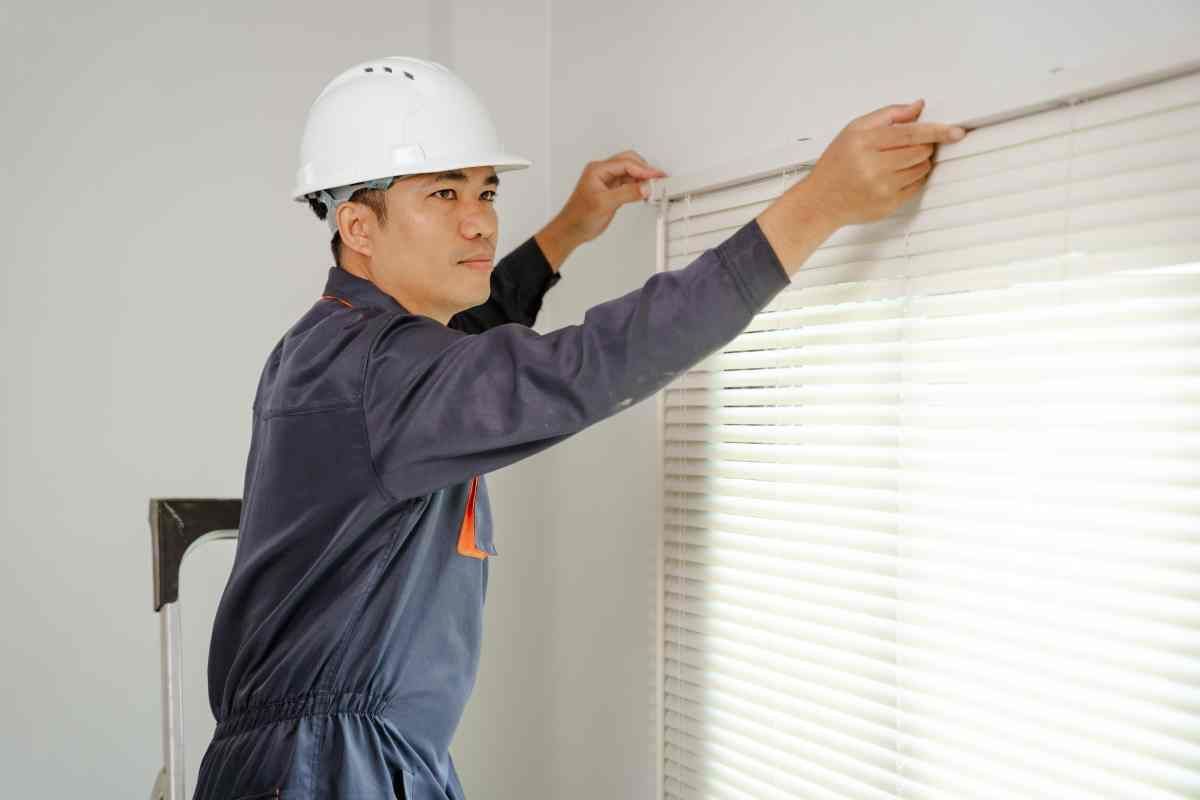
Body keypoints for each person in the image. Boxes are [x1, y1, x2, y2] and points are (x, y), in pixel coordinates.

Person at [192, 55, 967, 800]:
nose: (479, 224)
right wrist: (816, 204)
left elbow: (469, 346)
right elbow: (581, 368)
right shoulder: (381, 373)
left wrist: (568, 229)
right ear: (359, 226)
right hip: (324, 771)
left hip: (323, 759)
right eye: (442, 196)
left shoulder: (334, 344)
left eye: (486, 192)